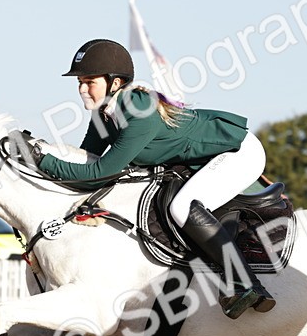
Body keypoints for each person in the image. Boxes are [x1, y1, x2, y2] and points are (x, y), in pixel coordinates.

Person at [27, 38, 274, 319]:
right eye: (80, 82)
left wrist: (42, 161)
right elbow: (88, 158)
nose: (82, 89)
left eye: (89, 81)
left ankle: (247, 284)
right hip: (201, 160)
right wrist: (43, 152)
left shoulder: (137, 111)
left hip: (238, 151)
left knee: (181, 207)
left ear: (115, 83)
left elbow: (98, 175)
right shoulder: (104, 115)